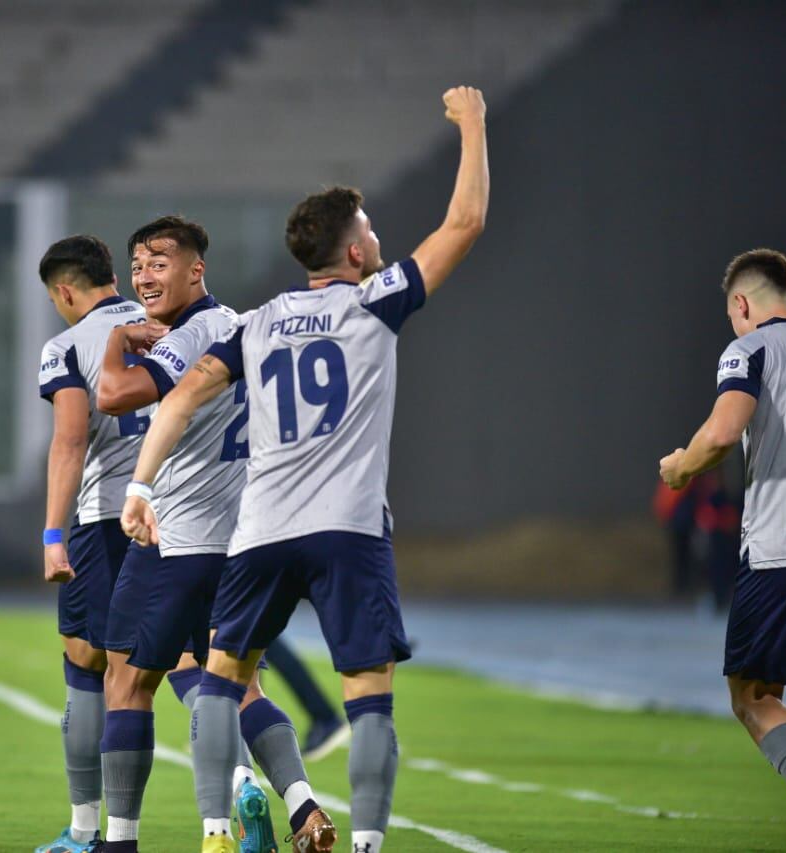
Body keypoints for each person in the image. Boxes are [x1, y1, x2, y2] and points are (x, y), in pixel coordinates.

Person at [121, 86, 489, 853]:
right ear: (354, 251)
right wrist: (473, 125)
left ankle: (217, 832)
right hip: (348, 529)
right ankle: (366, 843)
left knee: (220, 681)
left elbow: (183, 394)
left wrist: (139, 483)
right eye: (371, 231)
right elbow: (465, 223)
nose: (378, 240)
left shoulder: (260, 322)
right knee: (369, 698)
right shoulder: (376, 300)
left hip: (260, 533)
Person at [95, 216, 316, 853]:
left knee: (127, 680)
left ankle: (122, 840)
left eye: (159, 261)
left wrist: (118, 340)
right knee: (235, 682)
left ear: (197, 269)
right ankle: (300, 805)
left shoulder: (193, 335)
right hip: (241, 546)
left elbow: (115, 393)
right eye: (137, 263)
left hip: (177, 541)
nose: (143, 274)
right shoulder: (242, 327)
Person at [36, 235, 160, 853]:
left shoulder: (67, 346)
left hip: (107, 519)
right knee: (199, 666)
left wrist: (54, 535)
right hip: (182, 515)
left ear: (64, 291)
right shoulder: (167, 322)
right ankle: (243, 792)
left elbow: (69, 442)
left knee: (88, 661)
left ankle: (88, 831)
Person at [659, 248, 786, 791]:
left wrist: (680, 469)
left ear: (741, 304)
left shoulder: (751, 349)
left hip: (779, 553)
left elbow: (720, 433)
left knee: (755, 697)